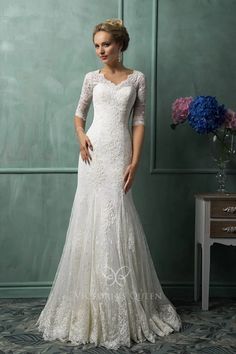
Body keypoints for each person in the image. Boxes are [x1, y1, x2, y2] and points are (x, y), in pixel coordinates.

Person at [35, 18, 182, 350]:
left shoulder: (138, 78)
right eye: (97, 45)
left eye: (106, 44)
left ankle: (122, 304)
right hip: (93, 152)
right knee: (90, 219)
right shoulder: (91, 78)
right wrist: (80, 137)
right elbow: (78, 114)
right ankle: (88, 305)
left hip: (120, 154)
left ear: (120, 44)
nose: (101, 50)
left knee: (116, 219)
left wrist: (136, 160)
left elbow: (140, 120)